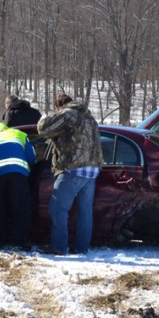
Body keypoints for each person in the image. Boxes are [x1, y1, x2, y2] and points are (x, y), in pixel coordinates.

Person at [36, 93, 103, 255]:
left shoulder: (68, 114)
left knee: (57, 208)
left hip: (73, 167)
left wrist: (43, 117)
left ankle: (58, 247)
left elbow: (43, 129)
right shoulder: (89, 118)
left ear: (59, 106)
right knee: (85, 211)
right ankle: (81, 248)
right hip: (92, 169)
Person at [0, 122, 36, 248]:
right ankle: (19, 241)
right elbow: (31, 156)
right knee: (21, 207)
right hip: (18, 174)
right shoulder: (19, 134)